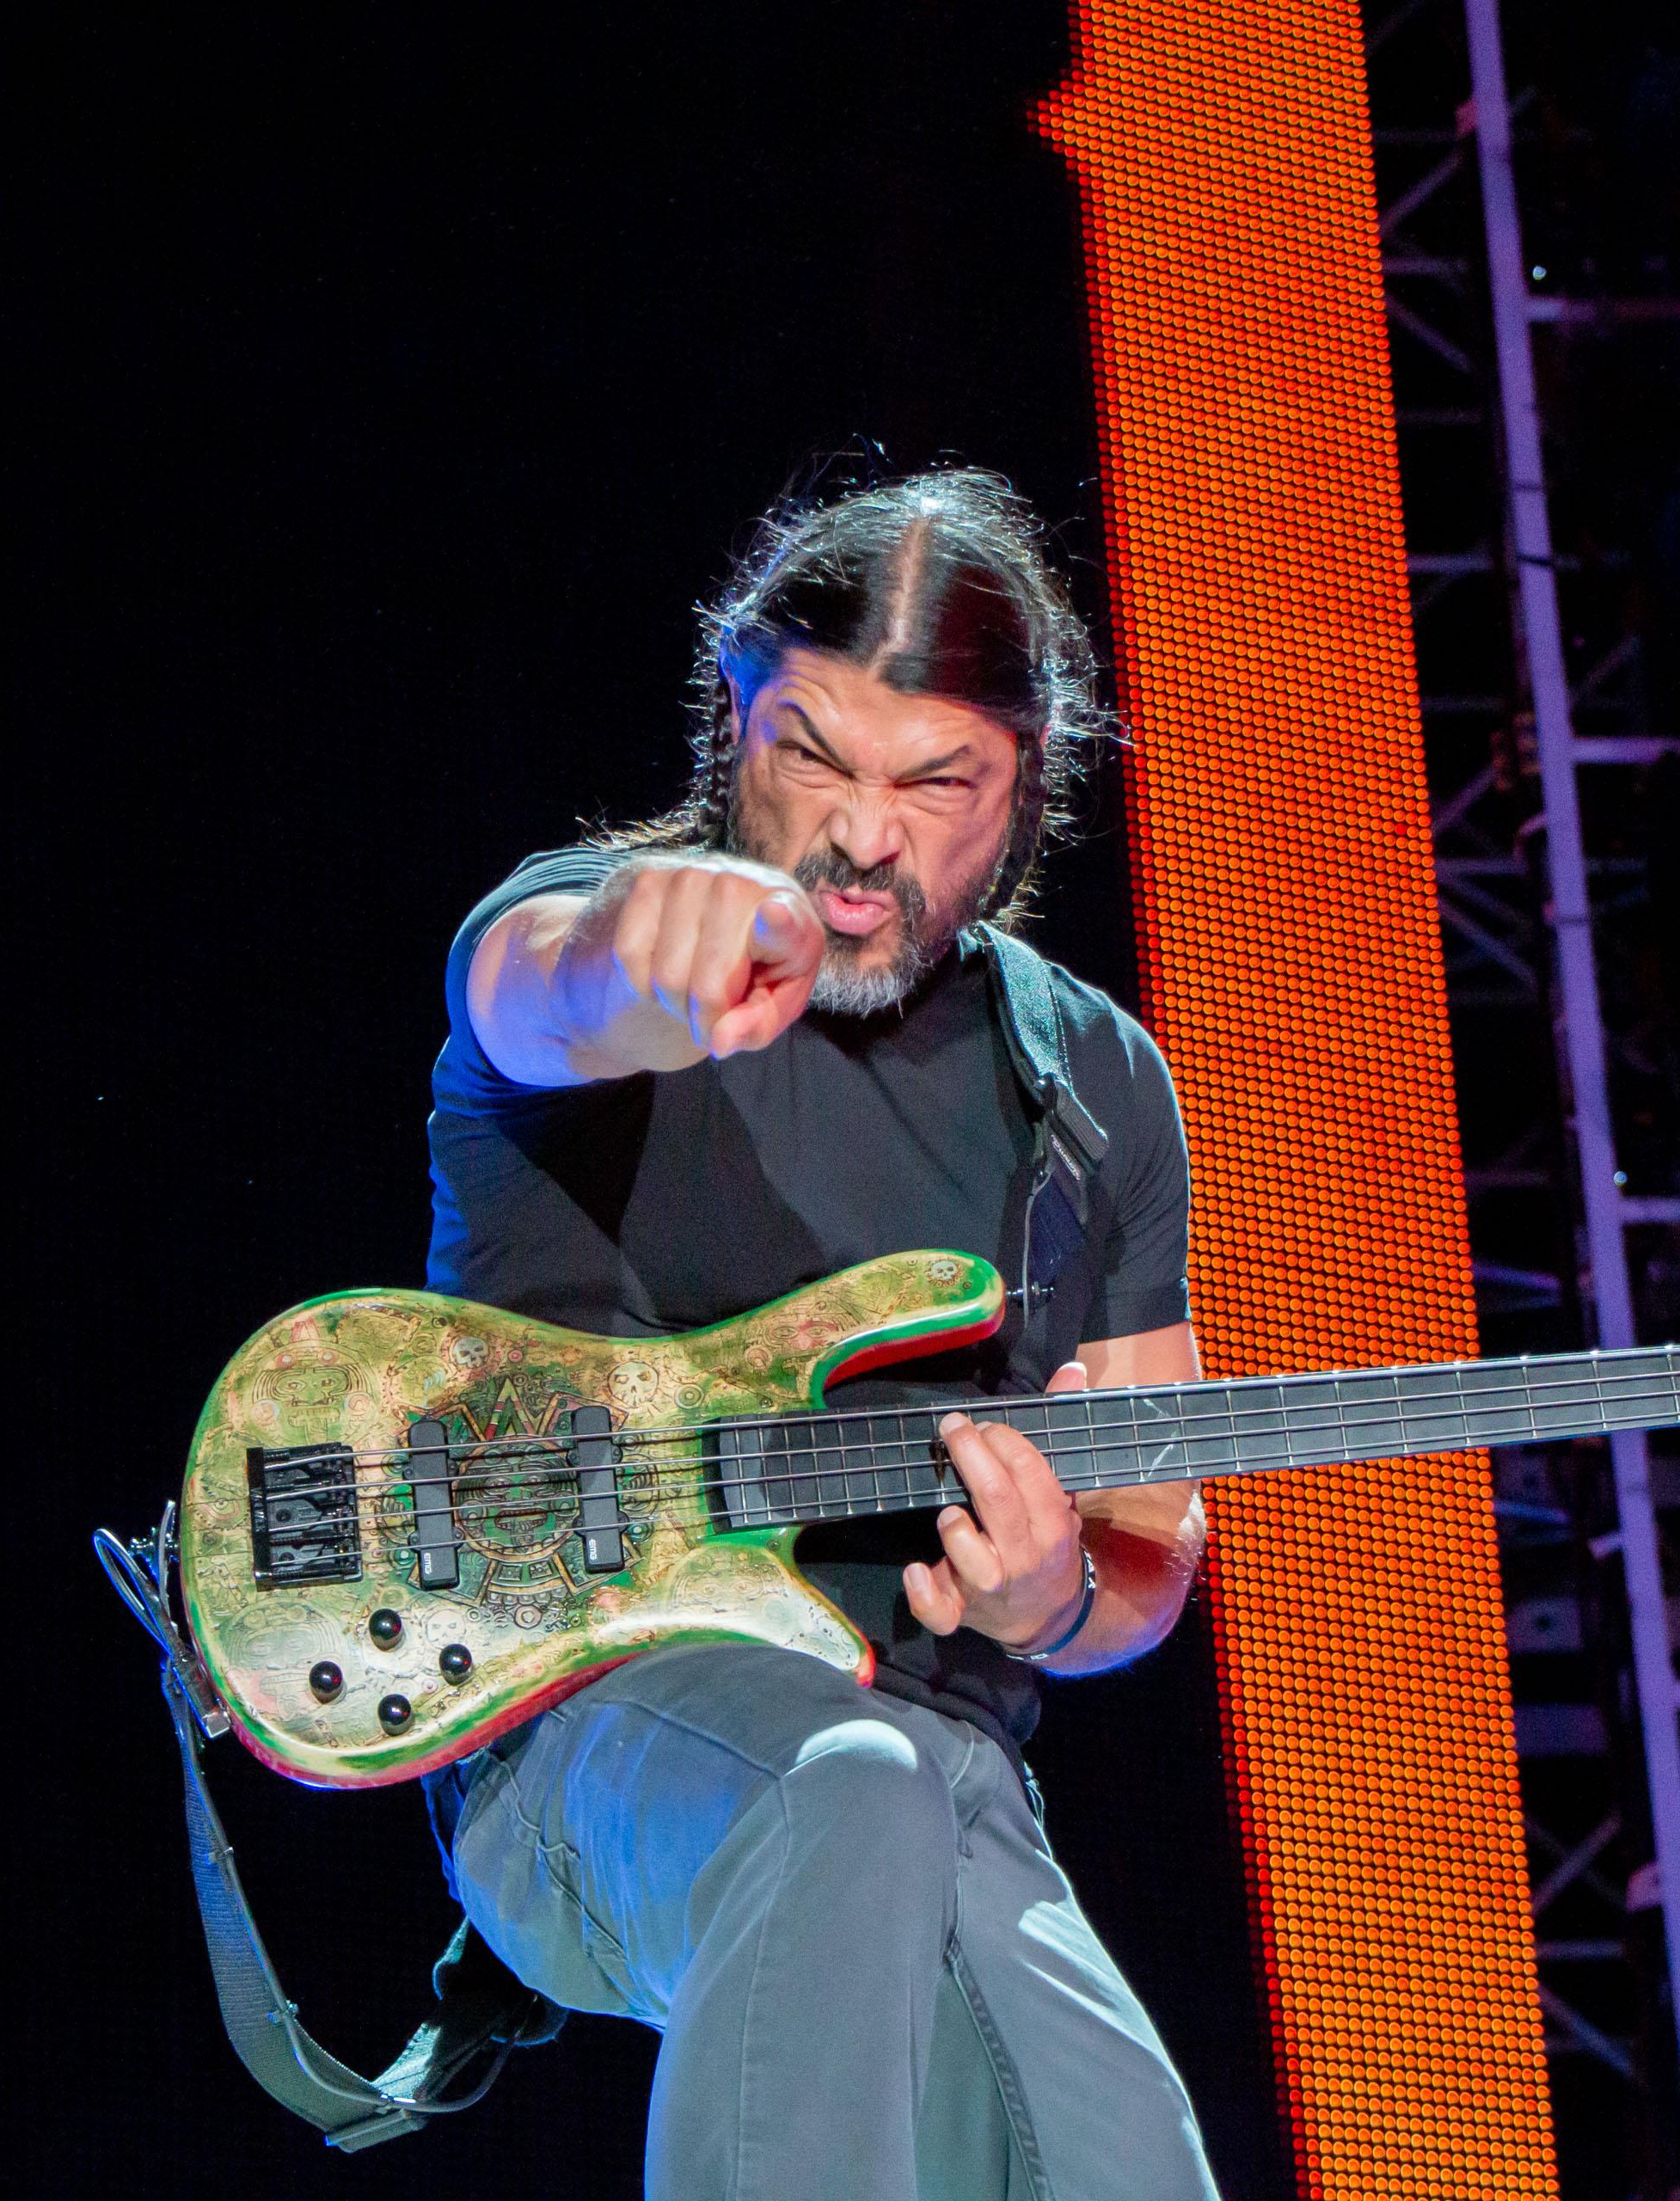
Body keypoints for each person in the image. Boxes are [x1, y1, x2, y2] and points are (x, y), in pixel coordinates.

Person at [421, 469, 1222, 2198]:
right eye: (813, 756)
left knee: (1137, 2165)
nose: (864, 837)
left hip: (948, 1764)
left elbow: (1153, 1537)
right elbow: (534, 986)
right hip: (581, 1727)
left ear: (1025, 786)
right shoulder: (594, 935)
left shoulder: (1096, 1084)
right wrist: (633, 958)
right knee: (843, 1789)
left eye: (936, 783)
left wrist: (1056, 1596)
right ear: (734, 717)